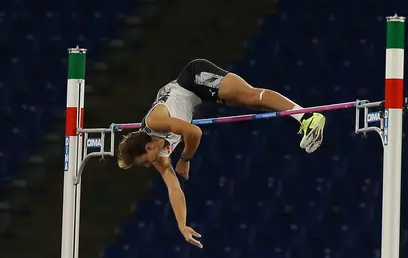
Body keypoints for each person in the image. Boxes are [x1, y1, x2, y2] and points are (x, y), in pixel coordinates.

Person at [116, 58, 326, 248]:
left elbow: (194, 132)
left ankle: (307, 117)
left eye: (143, 162)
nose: (146, 165)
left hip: (193, 79)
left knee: (251, 95)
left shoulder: (155, 122)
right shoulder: (158, 154)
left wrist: (185, 159)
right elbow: (174, 188)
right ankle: (305, 118)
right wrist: (182, 225)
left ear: (147, 147)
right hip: (197, 95)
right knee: (251, 101)